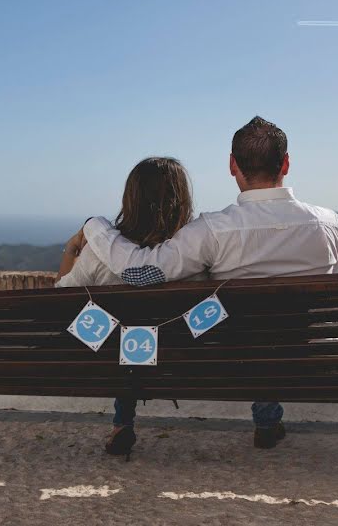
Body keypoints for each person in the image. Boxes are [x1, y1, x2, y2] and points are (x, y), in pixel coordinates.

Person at [74, 116, 338, 449]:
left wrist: (95, 227)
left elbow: (140, 273)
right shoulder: (328, 224)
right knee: (276, 326)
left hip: (231, 356)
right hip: (304, 352)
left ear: (233, 166)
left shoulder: (213, 231)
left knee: (248, 328)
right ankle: (268, 418)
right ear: (286, 163)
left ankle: (264, 416)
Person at [56, 156, 196, 457]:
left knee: (125, 341)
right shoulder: (194, 253)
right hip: (181, 358)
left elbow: (60, 298)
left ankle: (122, 424)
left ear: (130, 198)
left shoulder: (100, 251)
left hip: (112, 360)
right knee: (139, 336)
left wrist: (71, 249)